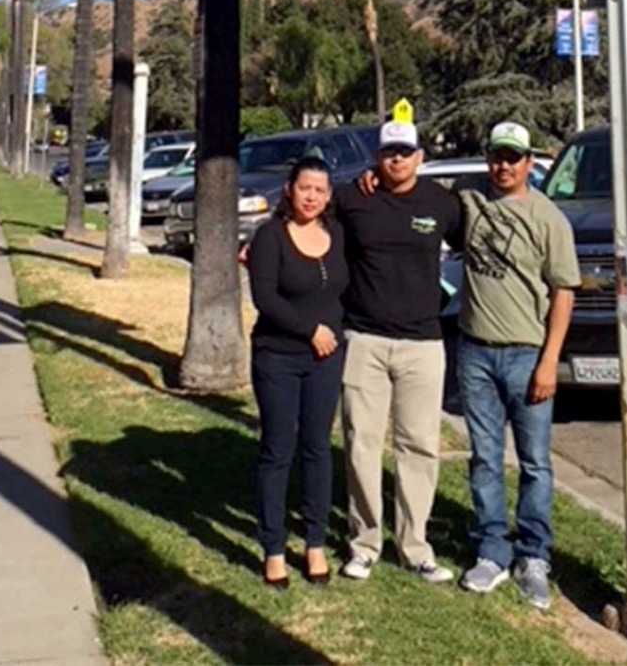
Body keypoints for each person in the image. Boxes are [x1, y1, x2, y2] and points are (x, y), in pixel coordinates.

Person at [456, 121, 578, 611]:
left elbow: (563, 293)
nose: (503, 166)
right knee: (485, 457)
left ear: (530, 163)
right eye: (496, 156)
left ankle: (533, 556)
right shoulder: (470, 200)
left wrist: (550, 361)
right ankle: (491, 549)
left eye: (513, 157)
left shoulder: (549, 219)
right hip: (475, 351)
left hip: (528, 354)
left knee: (535, 463)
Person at [333, 120, 461, 584]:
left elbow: (476, 247)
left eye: (405, 152)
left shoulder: (442, 204)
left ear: (420, 157)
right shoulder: (352, 198)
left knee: (419, 446)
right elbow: (307, 219)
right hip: (363, 340)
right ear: (376, 157)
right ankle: (365, 543)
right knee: (362, 445)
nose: (397, 160)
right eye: (389, 153)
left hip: (423, 344)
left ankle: (415, 547)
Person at [247, 152, 348, 588]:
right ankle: (272, 548)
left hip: (326, 360)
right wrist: (311, 331)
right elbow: (265, 298)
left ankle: (314, 542)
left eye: (320, 190)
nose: (311, 196)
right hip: (278, 356)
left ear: (329, 196)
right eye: (304, 187)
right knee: (277, 449)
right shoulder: (270, 236)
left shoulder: (337, 233)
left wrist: (328, 338)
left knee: (317, 448)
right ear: (290, 190)